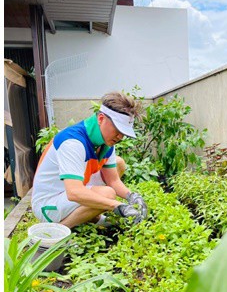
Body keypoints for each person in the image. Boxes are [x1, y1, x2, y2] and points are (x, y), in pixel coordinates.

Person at [31, 91, 148, 229]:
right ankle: (59, 229)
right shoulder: (73, 142)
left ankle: (91, 217)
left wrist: (132, 197)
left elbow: (113, 180)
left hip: (67, 195)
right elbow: (74, 192)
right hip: (48, 204)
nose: (120, 137)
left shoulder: (106, 141)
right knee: (108, 194)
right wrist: (117, 206)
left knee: (118, 163)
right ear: (101, 118)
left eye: (123, 132)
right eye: (117, 129)